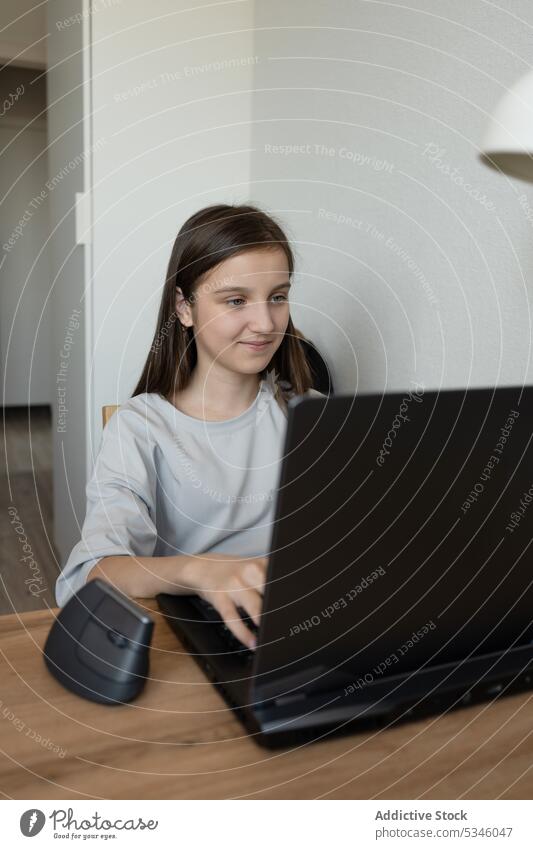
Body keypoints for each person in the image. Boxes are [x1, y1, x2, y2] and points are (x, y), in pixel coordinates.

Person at [55, 203, 325, 648]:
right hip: (194, 641)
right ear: (184, 308)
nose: (265, 323)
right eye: (236, 300)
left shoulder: (311, 415)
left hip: (302, 632)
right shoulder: (141, 428)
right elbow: (91, 575)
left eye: (277, 296)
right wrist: (199, 569)